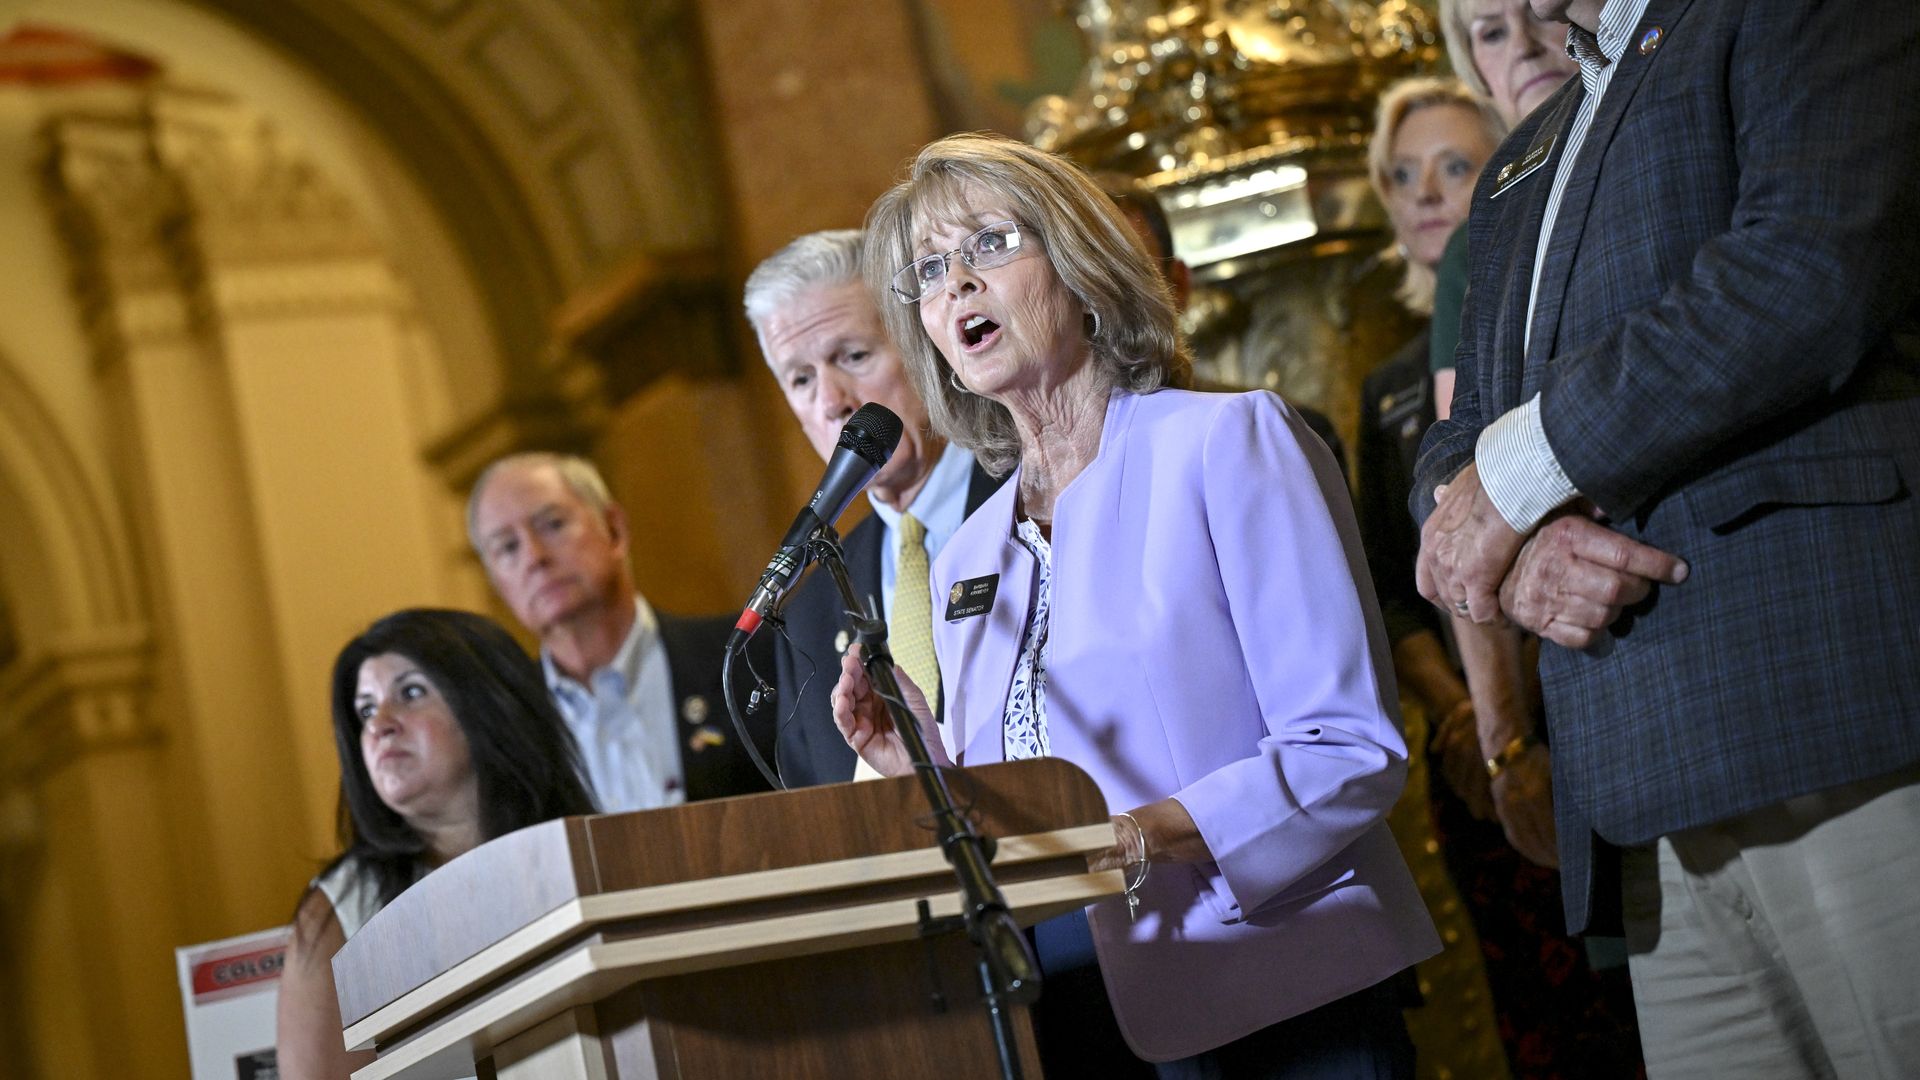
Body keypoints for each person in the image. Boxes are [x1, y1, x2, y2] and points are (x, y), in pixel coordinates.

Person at [835, 131, 1439, 1075]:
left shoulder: (1226, 445)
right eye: (931, 270)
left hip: (1274, 985)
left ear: (1079, 267)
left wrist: (1148, 835)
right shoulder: (966, 558)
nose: (956, 286)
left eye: (989, 245)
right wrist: (924, 760)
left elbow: (1347, 749)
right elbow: (1026, 806)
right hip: (1071, 1016)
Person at [1413, 0, 1920, 1074]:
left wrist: (1512, 487)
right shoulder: (1520, 168)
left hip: (1831, 708)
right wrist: (1516, 556)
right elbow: (1454, 450)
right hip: (1640, 788)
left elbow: (1803, 270)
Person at [1360, 75, 1644, 1079]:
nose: (1430, 192)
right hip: (1466, 742)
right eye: (1404, 174)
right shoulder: (1388, 384)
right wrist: (1458, 721)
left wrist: (1514, 722)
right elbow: (1395, 581)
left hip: (1574, 688)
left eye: (1454, 166)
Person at [276, 609, 596, 1080]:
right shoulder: (341, 909)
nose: (380, 723)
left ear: (493, 705)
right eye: (365, 709)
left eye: (410, 693)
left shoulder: (587, 852)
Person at [743, 230, 1002, 787]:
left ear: (924, 342)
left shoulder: (1033, 501)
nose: (832, 401)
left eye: (854, 356)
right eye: (801, 379)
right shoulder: (809, 616)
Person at [468, 453, 774, 810]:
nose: (534, 557)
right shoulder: (503, 731)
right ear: (495, 583)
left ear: (614, 528)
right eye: (508, 547)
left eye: (552, 525)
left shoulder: (749, 656)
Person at [1096, 174, 1349, 477]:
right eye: (1086, 282)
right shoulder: (1041, 468)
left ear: (1177, 286)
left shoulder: (1278, 436)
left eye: (1131, 277)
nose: (1103, 304)